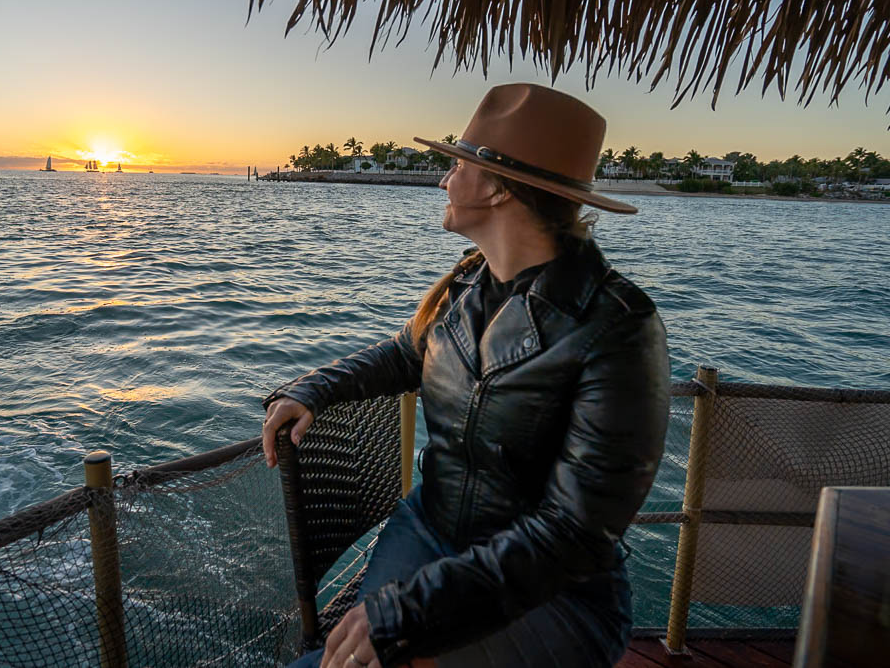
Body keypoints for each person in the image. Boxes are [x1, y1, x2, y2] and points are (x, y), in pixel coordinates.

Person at [261, 84, 671, 668]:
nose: (443, 180)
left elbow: (574, 535)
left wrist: (408, 615)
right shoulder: (463, 288)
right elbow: (403, 355)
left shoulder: (617, 327)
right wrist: (315, 388)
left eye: (458, 165)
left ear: (500, 187)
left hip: (554, 591)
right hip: (430, 528)